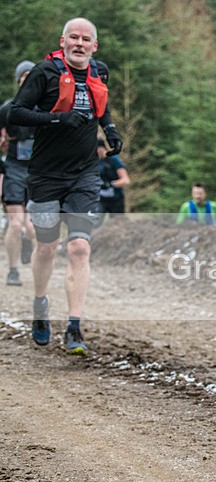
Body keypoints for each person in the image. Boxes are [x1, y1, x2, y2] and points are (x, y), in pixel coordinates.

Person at [8, 17, 123, 354]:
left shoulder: (99, 71)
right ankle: (40, 304)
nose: (79, 43)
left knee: (79, 248)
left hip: (85, 173)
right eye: (73, 37)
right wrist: (57, 118)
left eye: (86, 39)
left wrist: (111, 129)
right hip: (45, 174)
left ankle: (74, 327)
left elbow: (103, 108)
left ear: (94, 46)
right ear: (63, 41)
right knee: (46, 248)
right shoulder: (45, 73)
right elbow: (16, 112)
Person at [0, 60, 38, 286]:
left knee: (33, 228)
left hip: (38, 172)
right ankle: (13, 270)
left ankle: (37, 271)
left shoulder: (46, 109)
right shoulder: (7, 109)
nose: (27, 80)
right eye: (23, 76)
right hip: (14, 168)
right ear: (18, 80)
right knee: (15, 223)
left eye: (31, 76)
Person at [96, 138, 129, 222]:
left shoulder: (113, 159)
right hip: (100, 198)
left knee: (117, 223)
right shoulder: (95, 161)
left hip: (116, 198)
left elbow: (126, 180)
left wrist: (111, 184)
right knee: (95, 222)